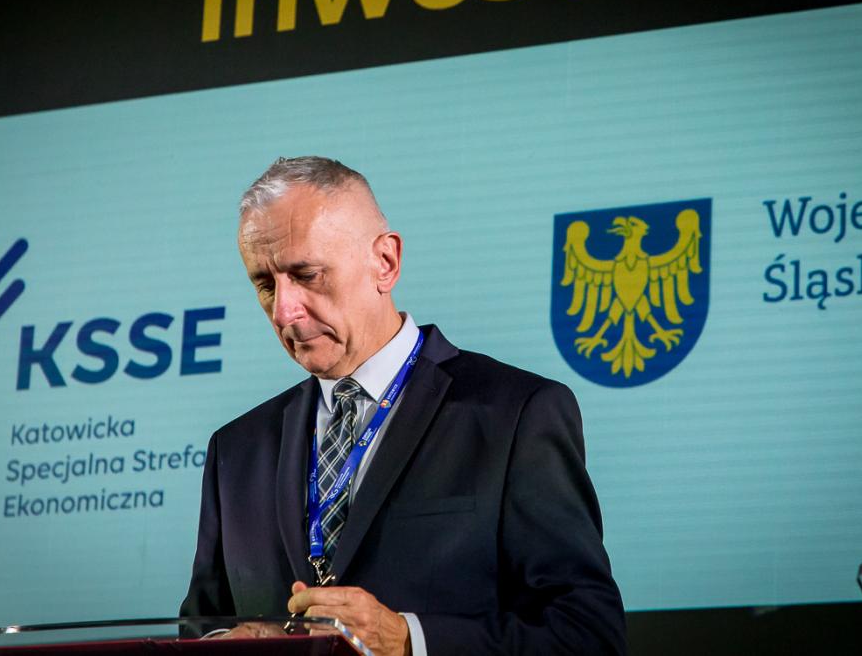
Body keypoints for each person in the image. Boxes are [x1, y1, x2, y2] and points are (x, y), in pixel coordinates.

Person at [180, 156, 626, 655]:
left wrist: (409, 641)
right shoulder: (235, 450)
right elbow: (200, 625)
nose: (284, 310)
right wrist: (226, 645)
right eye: (265, 284)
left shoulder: (517, 414)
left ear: (385, 263)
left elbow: (589, 634)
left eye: (307, 274)